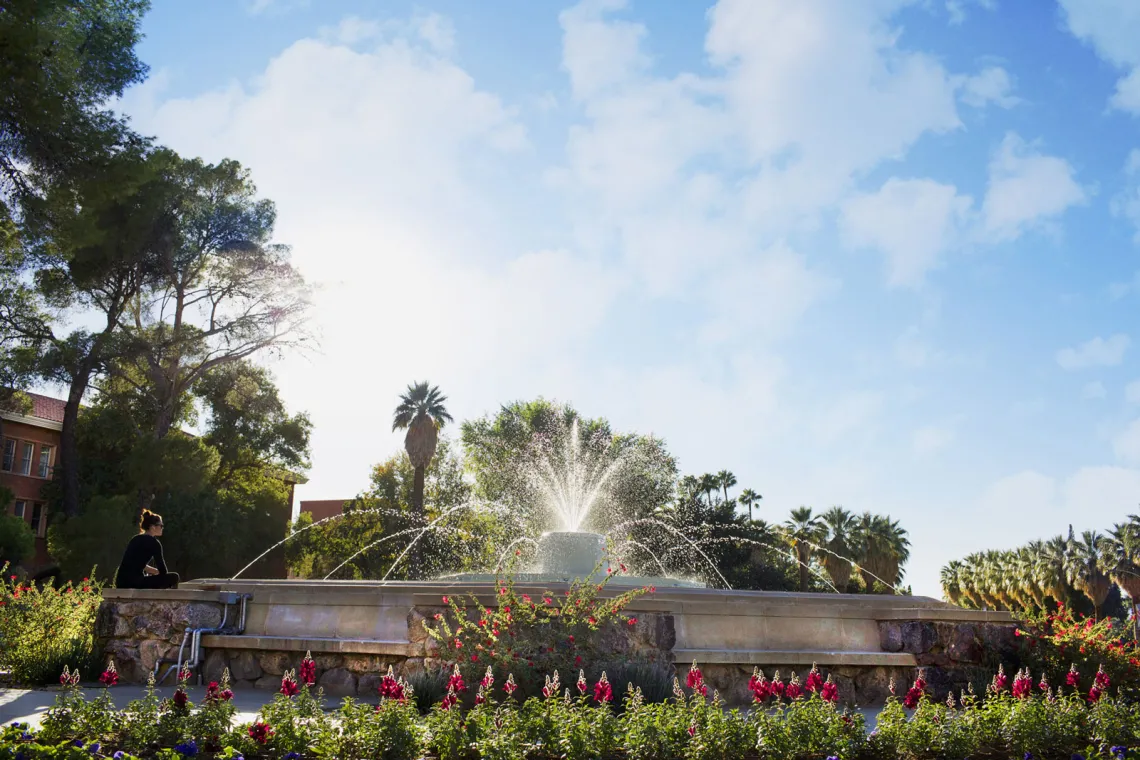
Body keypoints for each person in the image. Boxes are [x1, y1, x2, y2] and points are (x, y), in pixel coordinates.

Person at [115, 509, 179, 589]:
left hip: (121, 582)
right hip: (135, 583)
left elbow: (135, 563)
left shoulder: (135, 539)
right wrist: (158, 573)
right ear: (152, 527)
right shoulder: (155, 543)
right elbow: (163, 571)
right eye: (161, 526)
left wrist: (155, 571)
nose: (162, 528)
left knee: (145, 577)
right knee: (174, 577)